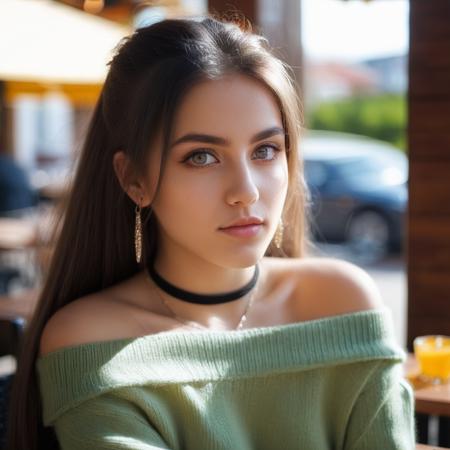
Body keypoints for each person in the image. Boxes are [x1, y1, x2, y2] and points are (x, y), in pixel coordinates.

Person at [6, 16, 416, 450]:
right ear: (134, 180)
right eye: (201, 157)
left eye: (265, 150)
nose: (246, 191)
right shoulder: (94, 341)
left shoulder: (342, 303)